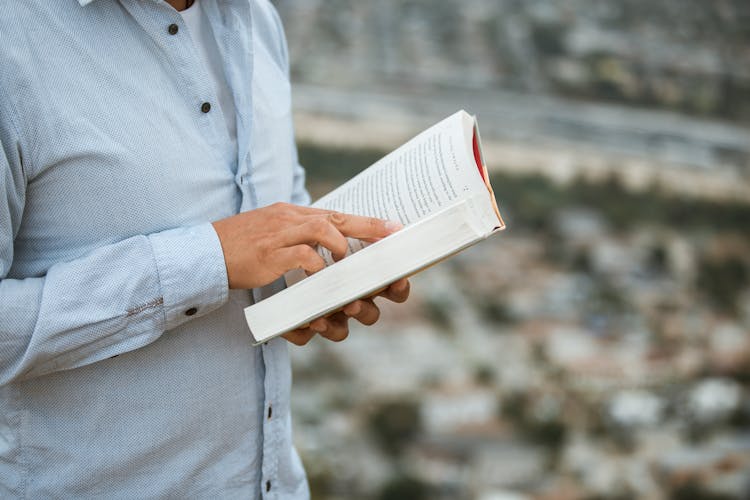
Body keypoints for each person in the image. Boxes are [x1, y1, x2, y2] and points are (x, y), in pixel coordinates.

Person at [0, 0, 409, 497]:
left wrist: (322, 277)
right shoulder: (12, 41)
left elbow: (280, 211)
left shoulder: (258, 18)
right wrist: (205, 260)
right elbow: (227, 254)